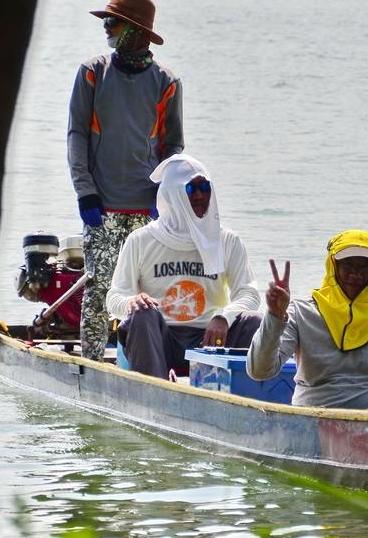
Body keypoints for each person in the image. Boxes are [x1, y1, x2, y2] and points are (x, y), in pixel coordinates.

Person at [68, 0, 184, 360]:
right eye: (105, 21)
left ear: (134, 30)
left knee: (146, 288)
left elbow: (174, 149)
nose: (105, 28)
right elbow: (77, 136)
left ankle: (138, 360)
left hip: (148, 210)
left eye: (111, 22)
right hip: (101, 206)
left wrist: (163, 200)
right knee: (100, 286)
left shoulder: (167, 82)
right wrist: (85, 193)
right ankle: (92, 362)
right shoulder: (92, 73)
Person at [106, 155, 261, 379]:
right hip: (159, 339)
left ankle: (241, 395)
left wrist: (224, 317)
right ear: (172, 194)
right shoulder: (141, 240)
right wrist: (131, 302)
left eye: (205, 187)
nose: (199, 195)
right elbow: (114, 298)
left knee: (254, 321)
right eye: (191, 189)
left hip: (210, 340)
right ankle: (154, 390)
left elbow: (249, 293)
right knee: (141, 314)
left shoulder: (227, 240)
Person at [247, 230, 368, 410]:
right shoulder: (301, 311)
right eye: (347, 265)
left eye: (365, 267)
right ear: (333, 266)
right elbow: (259, 371)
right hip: (310, 419)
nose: (355, 274)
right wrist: (275, 317)